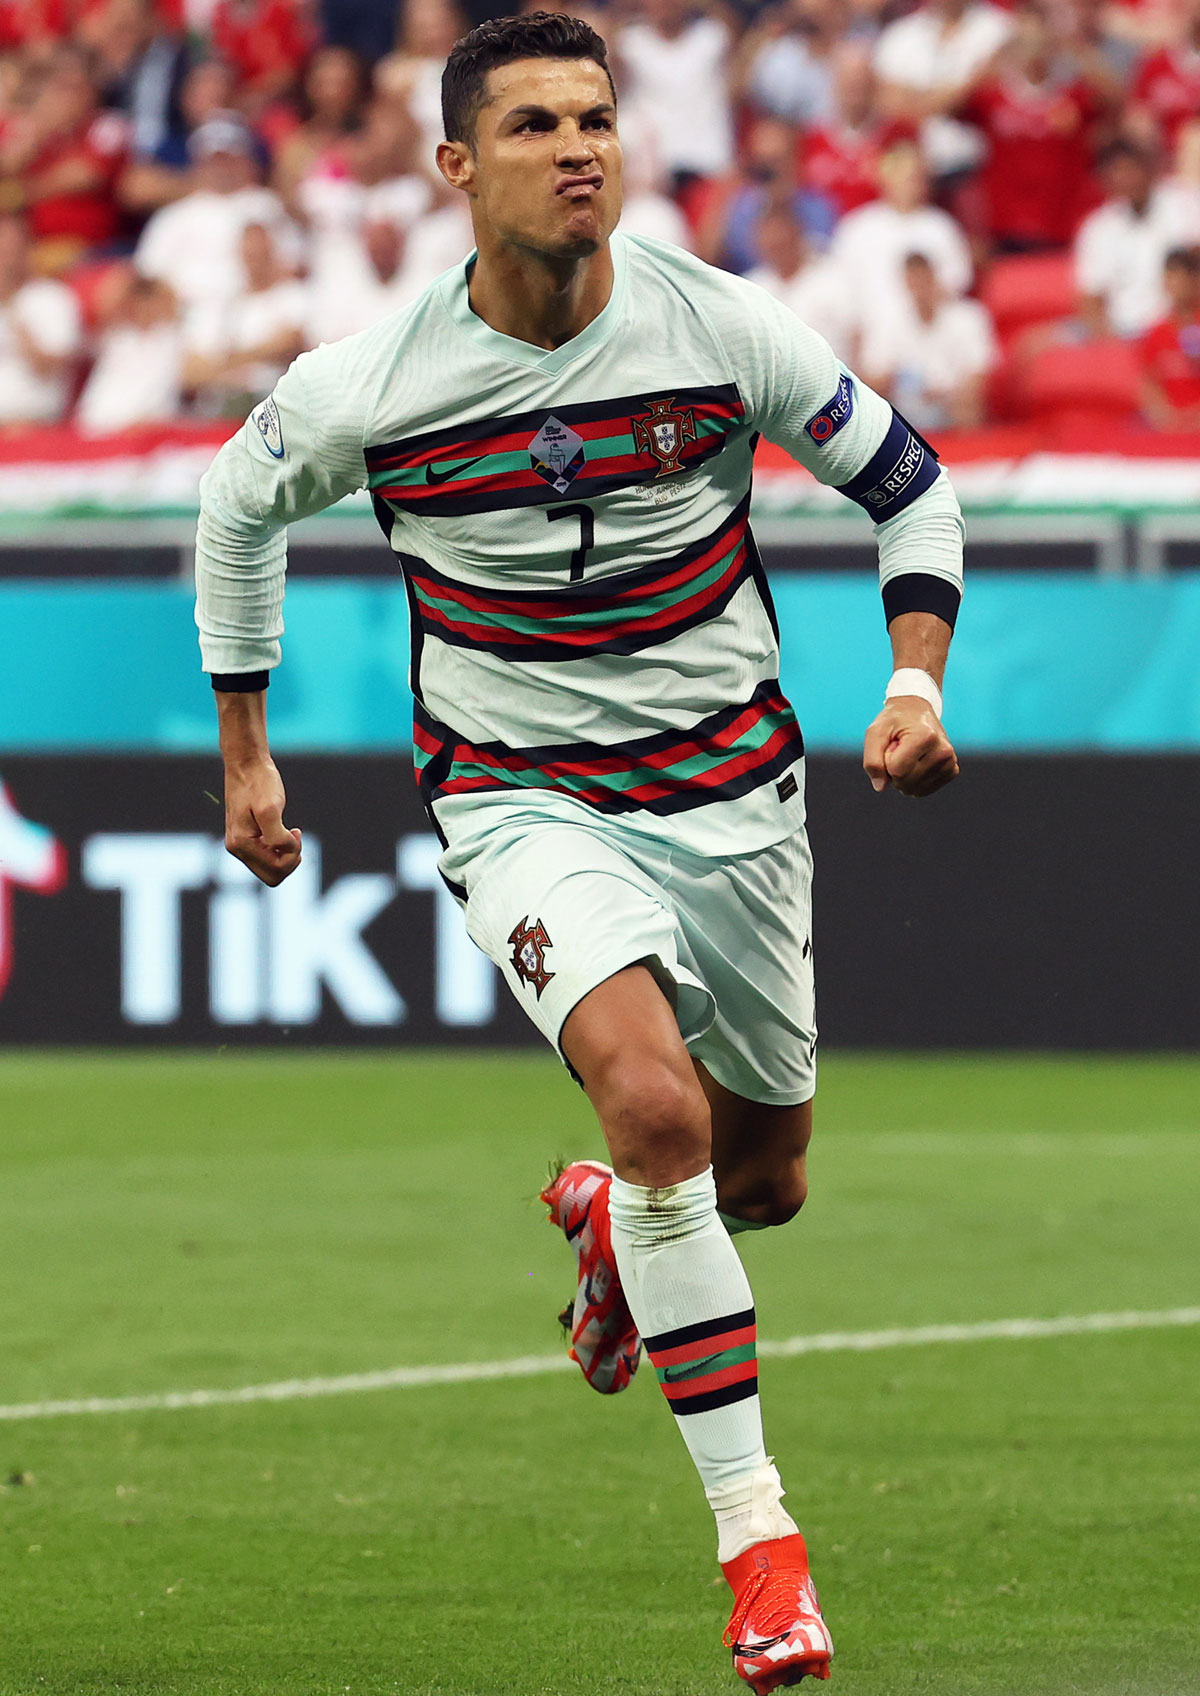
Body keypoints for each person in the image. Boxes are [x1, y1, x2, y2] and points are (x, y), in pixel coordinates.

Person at [194, 14, 964, 1690]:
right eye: (536, 124)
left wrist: (913, 679)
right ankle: (763, 1549)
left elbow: (911, 483)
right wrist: (246, 751)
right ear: (459, 170)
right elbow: (235, 506)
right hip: (518, 792)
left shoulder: (719, 324)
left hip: (735, 790)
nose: (580, 147)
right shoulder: (373, 383)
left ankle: (620, 1234)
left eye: (598, 118)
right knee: (659, 1111)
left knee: (760, 1182)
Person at [859, 250, 996, 429]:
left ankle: (968, 451)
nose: (920, 288)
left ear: (934, 277)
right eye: (913, 280)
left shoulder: (968, 317)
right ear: (906, 283)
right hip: (904, 406)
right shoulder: (888, 322)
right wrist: (898, 380)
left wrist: (947, 394)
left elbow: (979, 371)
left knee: (967, 404)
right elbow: (872, 376)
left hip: (952, 403)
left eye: (924, 279)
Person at [1138, 245, 1200, 429]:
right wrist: (1165, 416)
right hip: (1170, 429)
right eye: (1169, 277)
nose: (1173, 284)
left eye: (1179, 277)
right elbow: (1148, 384)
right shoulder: (1156, 333)